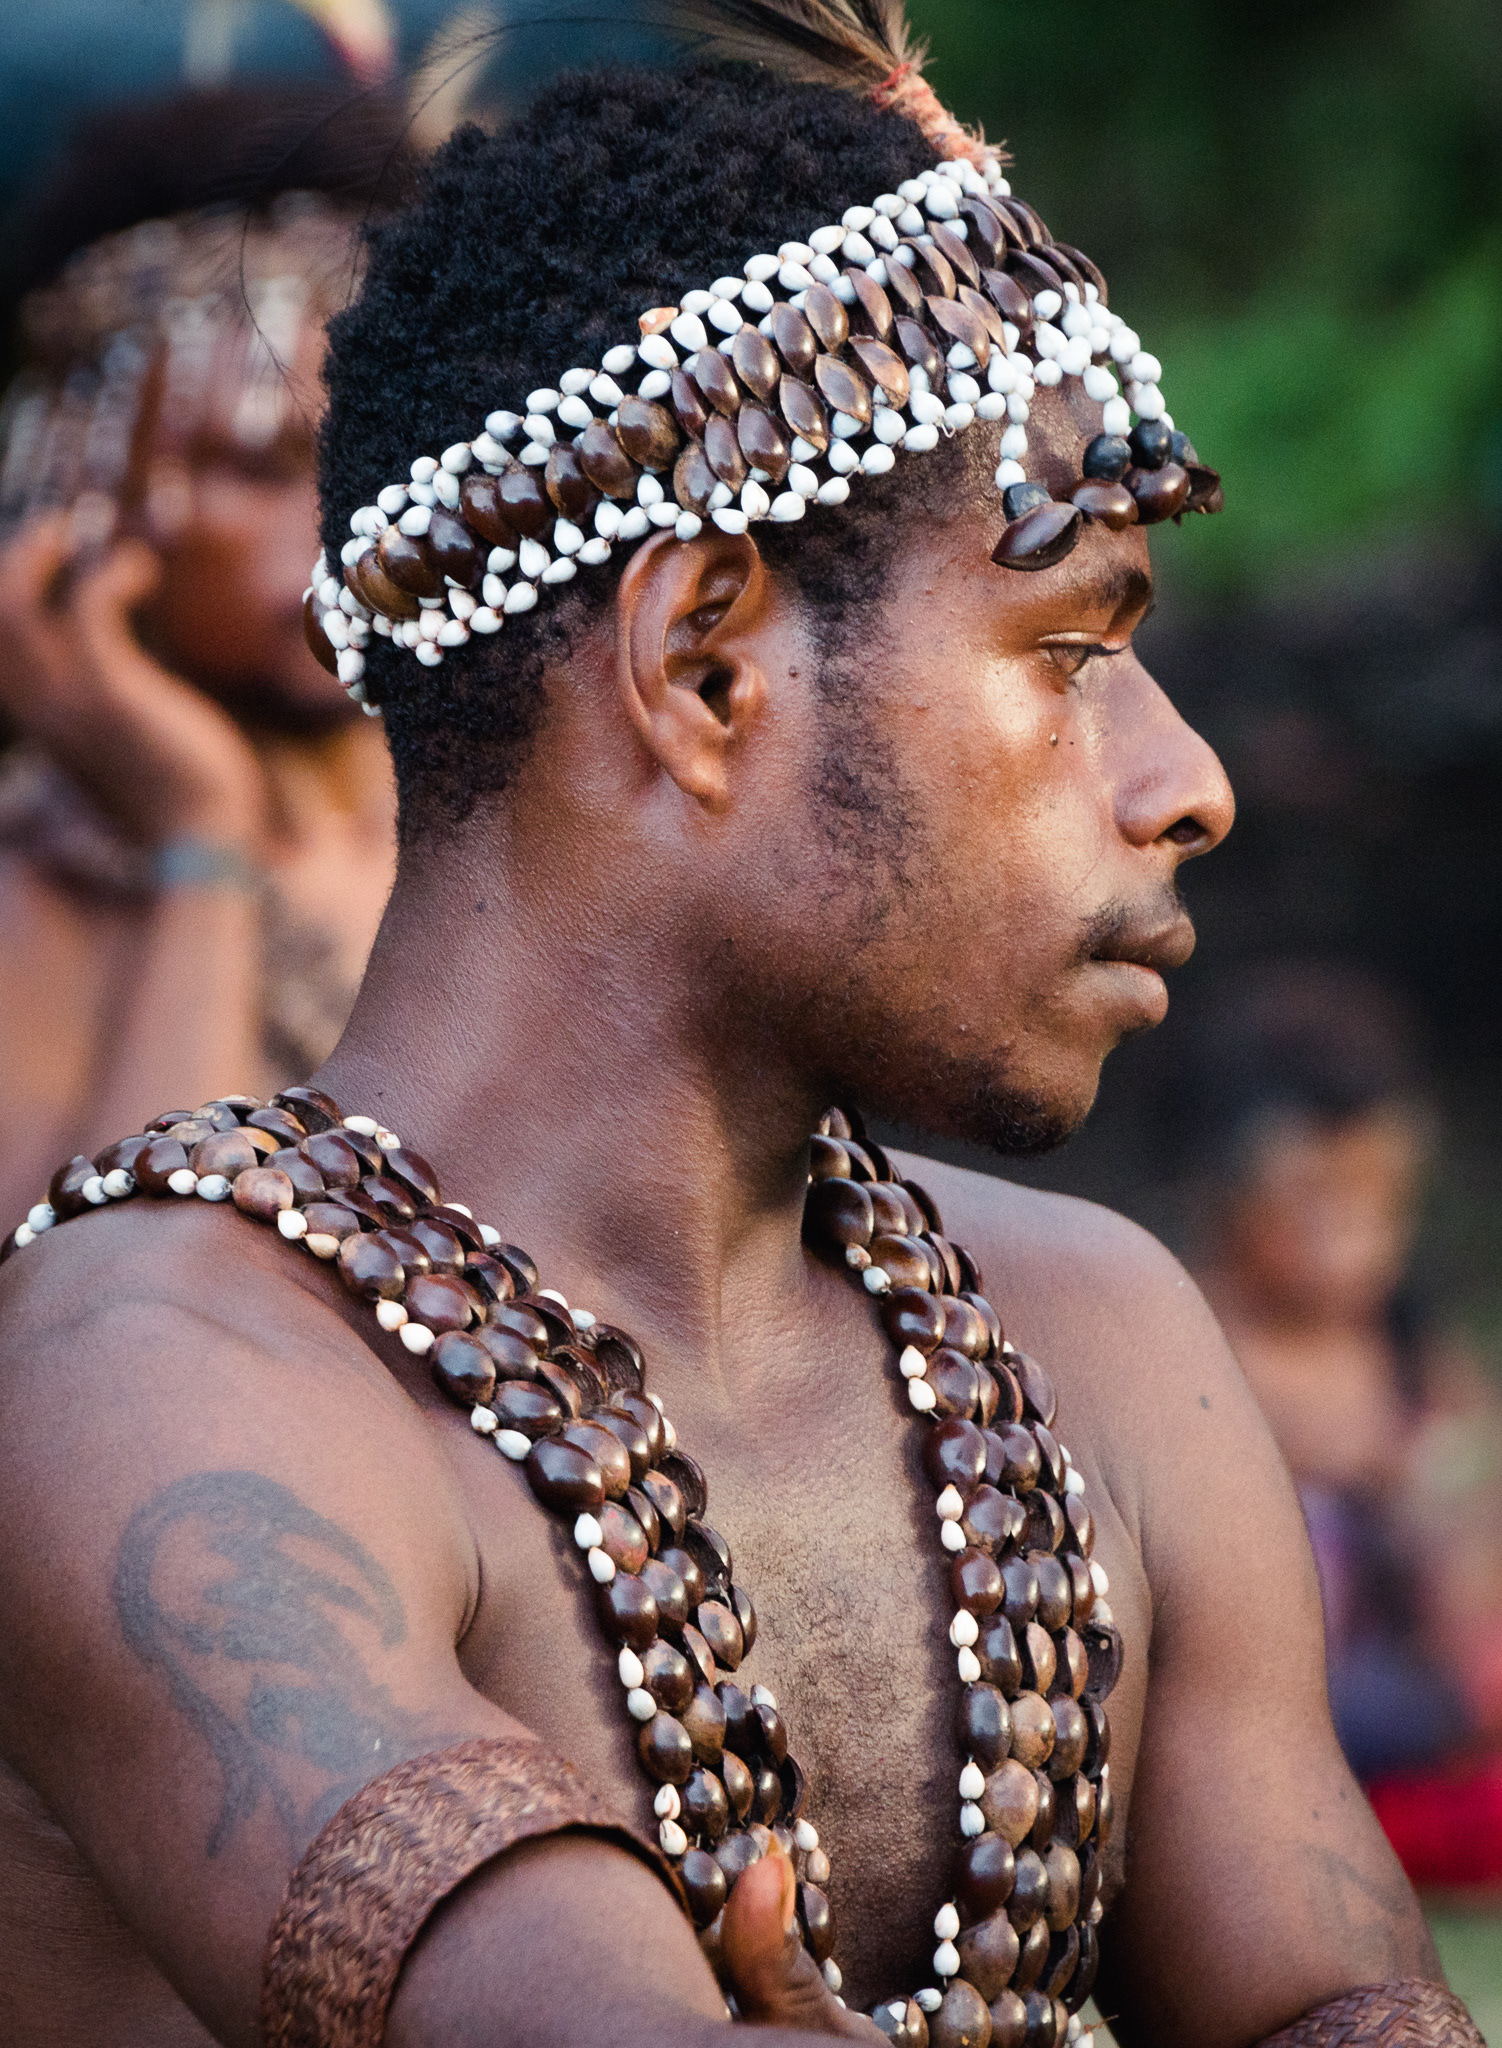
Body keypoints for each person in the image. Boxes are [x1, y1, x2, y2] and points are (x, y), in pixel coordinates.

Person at [0, 16, 1482, 2048]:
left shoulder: (1102, 1337)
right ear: (704, 668)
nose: (1185, 779)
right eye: (1067, 650)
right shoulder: (154, 1379)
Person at [0, 84, 403, 1229]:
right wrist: (199, 835)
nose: (346, 515)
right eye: (259, 462)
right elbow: (103, 1359)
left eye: (376, 439)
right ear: (89, 485)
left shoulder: (526, 824)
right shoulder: (33, 884)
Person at [1188, 964, 1502, 1887]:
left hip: (1411, 1732)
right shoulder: (1180, 1339)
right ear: (1225, 1196)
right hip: (1247, 1743)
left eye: (1379, 1203)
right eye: (1315, 1202)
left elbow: (1473, 1582)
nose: (1351, 1240)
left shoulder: (1414, 1361)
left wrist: (1431, 1506)